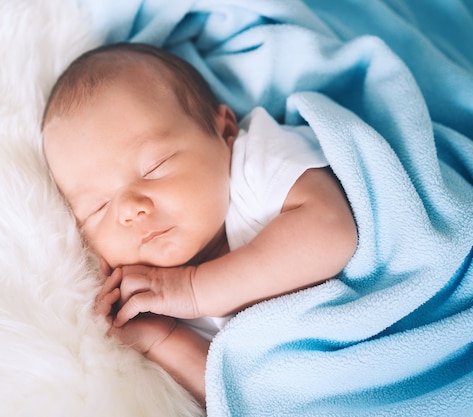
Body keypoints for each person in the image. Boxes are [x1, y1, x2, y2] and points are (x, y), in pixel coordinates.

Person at [41, 42, 358, 407]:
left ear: (223, 131)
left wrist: (194, 290)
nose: (129, 209)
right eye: (98, 207)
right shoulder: (154, 296)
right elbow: (238, 396)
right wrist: (162, 339)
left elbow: (333, 232)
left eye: (154, 166)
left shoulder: (253, 166)